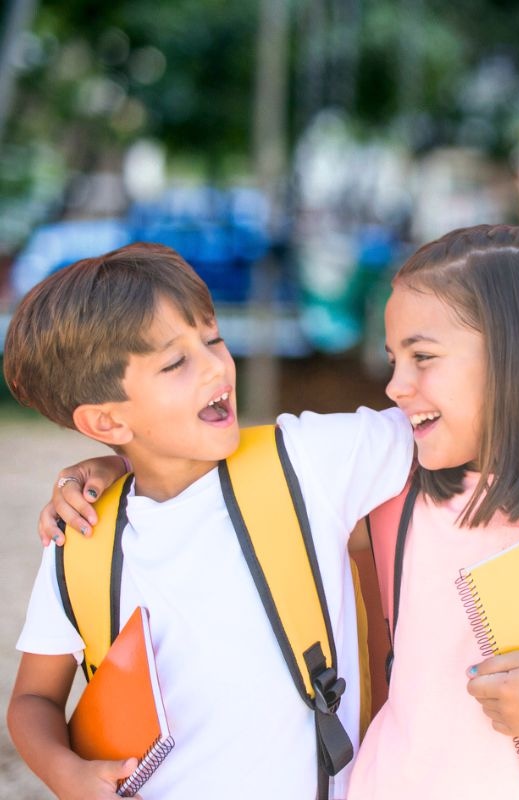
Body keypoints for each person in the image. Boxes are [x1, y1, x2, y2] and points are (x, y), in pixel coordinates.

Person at [37, 225, 519, 799]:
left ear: (518, 356)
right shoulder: (395, 487)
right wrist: (119, 467)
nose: (394, 385)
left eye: (422, 357)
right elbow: (215, 478)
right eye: (393, 358)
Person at [5, 243, 414, 800]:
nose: (217, 366)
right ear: (105, 421)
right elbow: (33, 701)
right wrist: (65, 773)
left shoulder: (306, 461)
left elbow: (445, 422)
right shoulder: (81, 538)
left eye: (214, 338)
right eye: (175, 363)